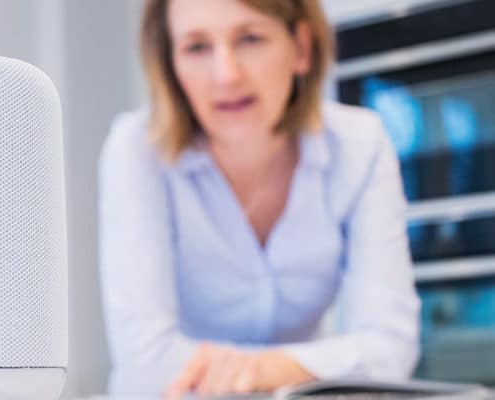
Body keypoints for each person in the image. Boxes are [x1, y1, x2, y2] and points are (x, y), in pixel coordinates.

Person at [97, 0, 421, 397]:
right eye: (196, 48)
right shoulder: (137, 150)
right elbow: (145, 359)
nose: (226, 75)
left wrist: (258, 369)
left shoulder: (360, 146)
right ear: (170, 63)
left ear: (301, 48)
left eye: (250, 38)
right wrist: (306, 366)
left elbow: (390, 348)